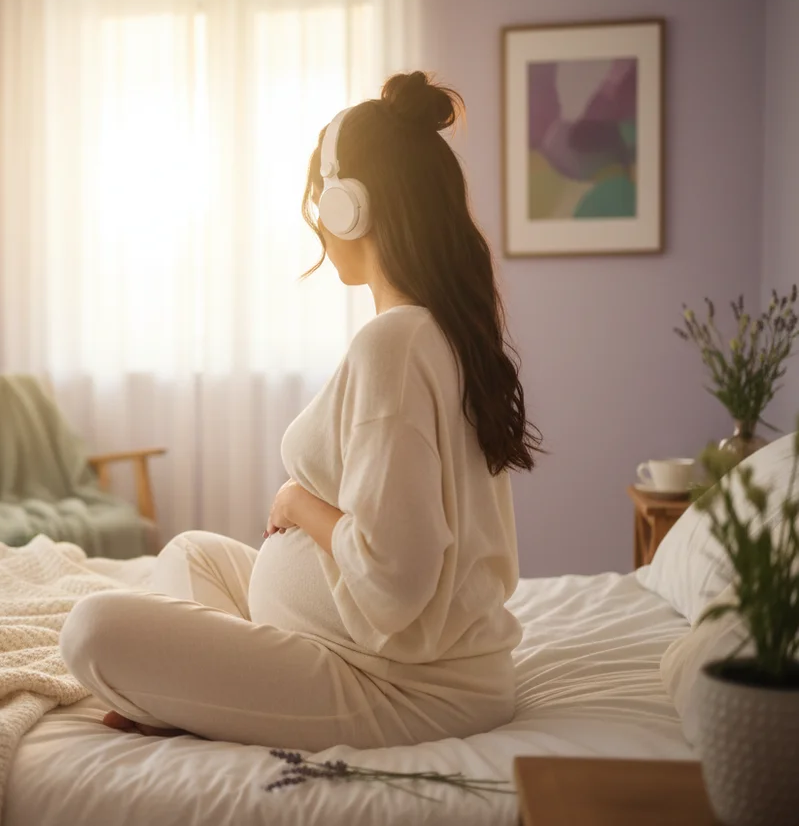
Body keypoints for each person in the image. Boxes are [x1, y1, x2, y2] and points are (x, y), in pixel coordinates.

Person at [59, 71, 543, 752]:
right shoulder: (437, 331)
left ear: (349, 208)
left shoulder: (394, 345)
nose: (317, 219)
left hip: (399, 686)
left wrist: (296, 503)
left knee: (92, 630)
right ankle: (196, 692)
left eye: (321, 200)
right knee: (193, 553)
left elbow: (394, 581)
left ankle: (186, 696)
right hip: (381, 653)